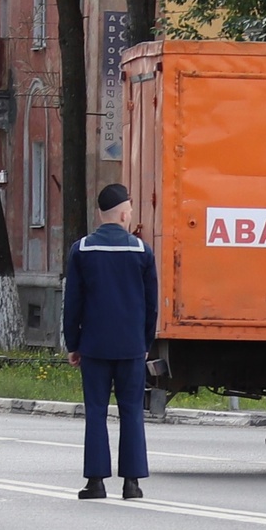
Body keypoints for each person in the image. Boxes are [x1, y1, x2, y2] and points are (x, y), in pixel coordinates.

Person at [63, 183, 161, 498]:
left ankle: (95, 482)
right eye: (130, 211)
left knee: (96, 410)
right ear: (122, 213)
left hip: (93, 345)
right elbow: (151, 304)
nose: (131, 215)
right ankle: (132, 483)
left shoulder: (82, 250)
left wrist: (73, 343)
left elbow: (73, 301)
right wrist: (145, 342)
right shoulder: (141, 251)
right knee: (131, 410)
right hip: (132, 345)